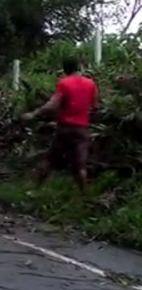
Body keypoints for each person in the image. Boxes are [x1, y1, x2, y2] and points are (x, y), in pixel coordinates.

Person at [21, 57, 98, 193]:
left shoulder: (64, 83)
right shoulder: (90, 84)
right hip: (81, 129)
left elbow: (53, 104)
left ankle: (36, 190)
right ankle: (84, 196)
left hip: (65, 128)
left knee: (50, 160)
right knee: (80, 166)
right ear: (78, 68)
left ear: (64, 69)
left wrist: (33, 114)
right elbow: (94, 106)